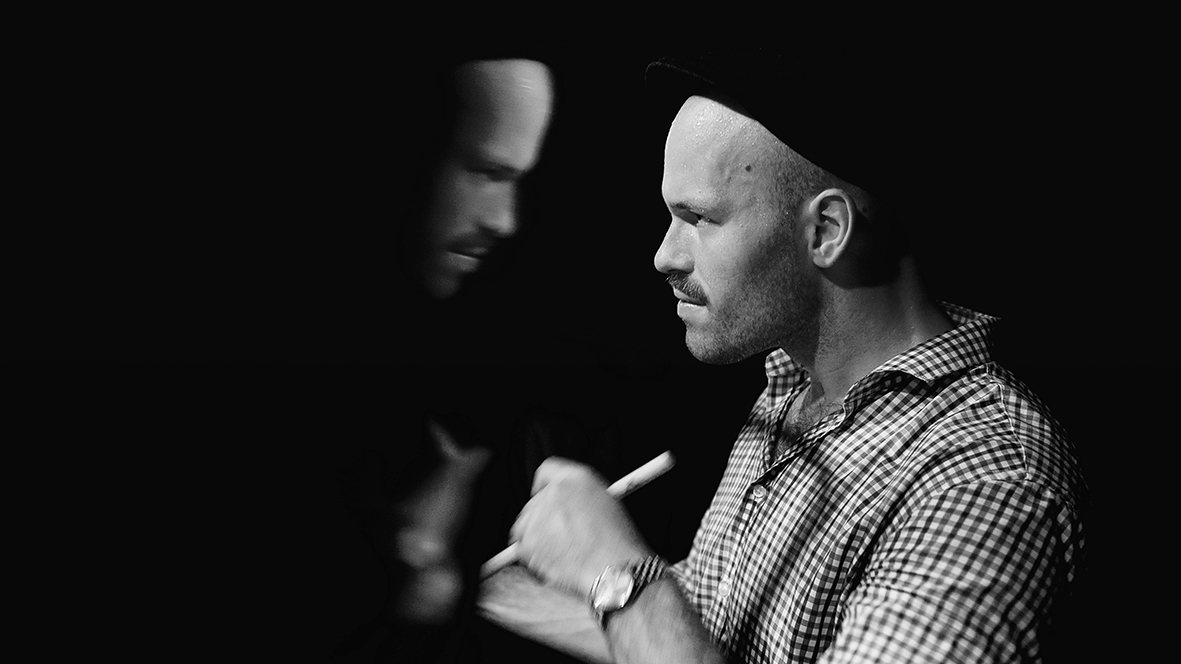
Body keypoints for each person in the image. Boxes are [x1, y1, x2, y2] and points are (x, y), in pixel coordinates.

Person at [480, 47, 1088, 663]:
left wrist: (616, 572)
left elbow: (643, 612)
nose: (665, 256)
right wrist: (465, 583)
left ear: (826, 231)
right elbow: (692, 638)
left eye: (699, 218)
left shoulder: (985, 479)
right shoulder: (788, 391)